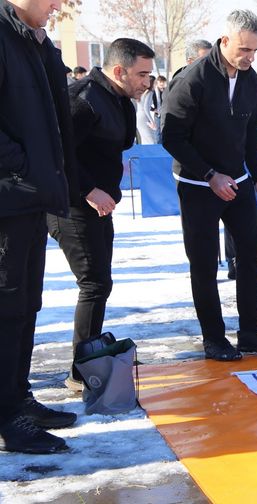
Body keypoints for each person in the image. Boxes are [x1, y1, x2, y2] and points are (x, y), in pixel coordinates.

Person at [162, 9, 257, 361]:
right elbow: (171, 136)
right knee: (203, 263)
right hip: (198, 182)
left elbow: (251, 134)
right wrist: (208, 175)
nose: (249, 57)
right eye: (243, 50)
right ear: (225, 40)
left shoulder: (250, 78)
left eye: (255, 51)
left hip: (240, 180)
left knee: (251, 257)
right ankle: (214, 338)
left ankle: (251, 331)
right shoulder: (194, 79)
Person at [50, 38, 154, 392]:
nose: (147, 82)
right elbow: (56, 153)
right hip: (71, 205)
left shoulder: (120, 98)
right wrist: (88, 188)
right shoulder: (83, 98)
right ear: (119, 70)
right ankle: (81, 372)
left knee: (99, 283)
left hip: (97, 204)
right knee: (94, 284)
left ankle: (88, 360)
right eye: (141, 74)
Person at [1, 0, 79, 454]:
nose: (56, 6)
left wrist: (44, 46)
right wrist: (27, 170)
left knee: (26, 305)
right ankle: (5, 418)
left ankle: (16, 399)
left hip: (31, 198)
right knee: (6, 308)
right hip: (9, 198)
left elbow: (51, 106)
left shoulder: (29, 37)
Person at [135, 75, 159, 144]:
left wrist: (153, 109)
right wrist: (152, 121)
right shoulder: (149, 92)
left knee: (144, 139)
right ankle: (151, 154)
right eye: (155, 82)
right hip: (144, 117)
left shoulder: (142, 92)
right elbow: (146, 108)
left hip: (139, 115)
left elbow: (144, 106)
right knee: (150, 140)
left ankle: (145, 154)